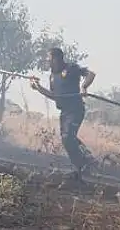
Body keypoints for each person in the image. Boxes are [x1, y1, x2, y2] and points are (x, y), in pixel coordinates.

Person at [29, 47, 96, 180]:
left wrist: (84, 87)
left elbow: (91, 74)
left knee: (67, 137)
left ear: (56, 58)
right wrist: (38, 88)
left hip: (75, 109)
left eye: (48, 58)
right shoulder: (52, 77)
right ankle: (82, 166)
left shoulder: (71, 68)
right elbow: (55, 96)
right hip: (64, 112)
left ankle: (87, 161)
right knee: (67, 140)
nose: (47, 60)